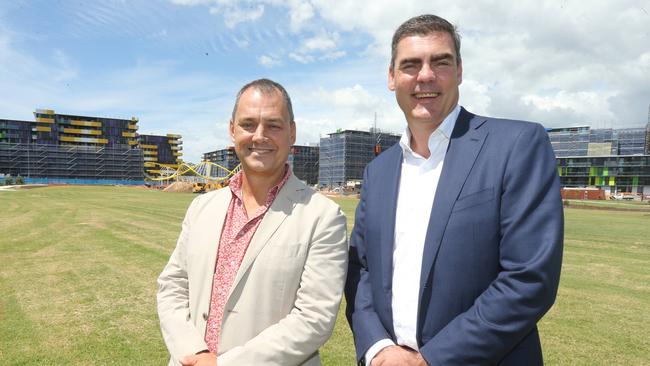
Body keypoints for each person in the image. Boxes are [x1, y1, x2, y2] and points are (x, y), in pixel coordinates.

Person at [345, 14, 563, 366]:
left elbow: (529, 279)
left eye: (440, 62)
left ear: (459, 71)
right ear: (391, 77)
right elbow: (361, 270)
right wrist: (378, 348)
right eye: (410, 65)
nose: (425, 75)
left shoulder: (516, 145)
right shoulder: (378, 171)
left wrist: (430, 360)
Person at [157, 79, 348, 366]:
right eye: (248, 125)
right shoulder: (201, 207)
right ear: (232, 130)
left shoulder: (323, 217)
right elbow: (172, 286)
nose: (259, 136)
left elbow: (313, 319)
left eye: (273, 125)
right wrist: (193, 353)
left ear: (292, 133)